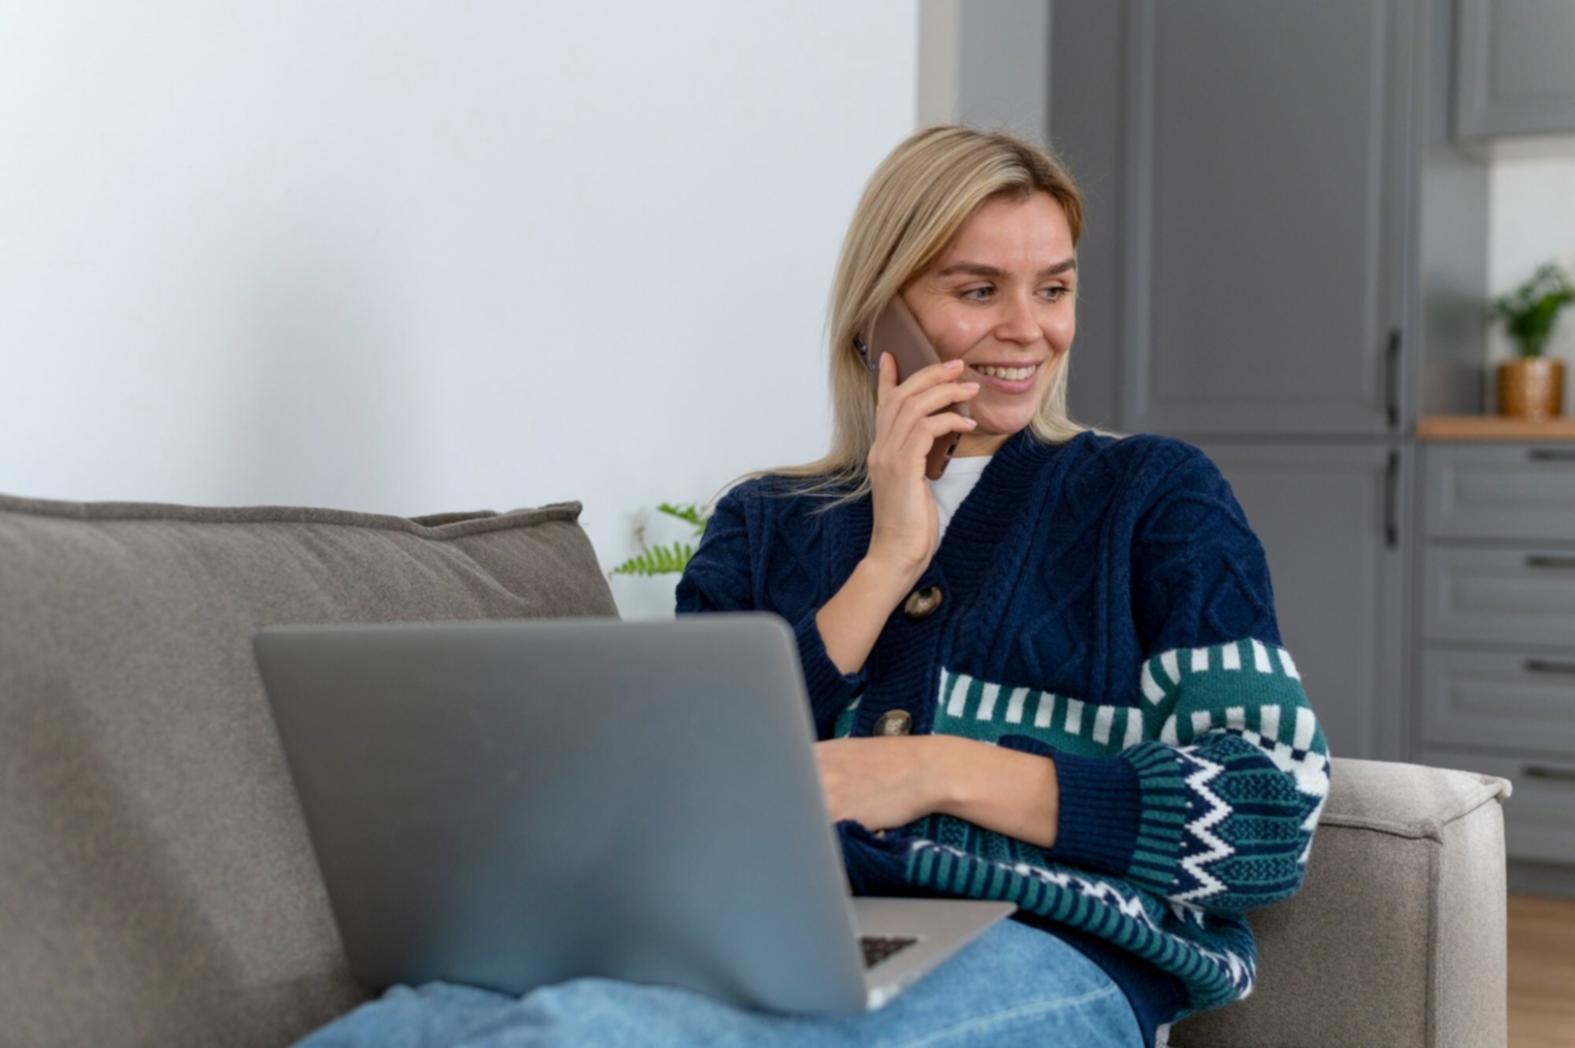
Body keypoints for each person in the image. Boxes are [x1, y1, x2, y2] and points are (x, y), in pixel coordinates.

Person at [297, 124, 1331, 1048]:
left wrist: (934, 769)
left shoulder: (1154, 497)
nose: (1031, 330)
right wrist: (887, 560)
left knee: (590, 1032)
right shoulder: (764, 520)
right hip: (769, 933)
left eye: (1053, 287)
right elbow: (681, 794)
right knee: (414, 1021)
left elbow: (1268, 816)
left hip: (1053, 946)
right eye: (979, 291)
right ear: (884, 314)